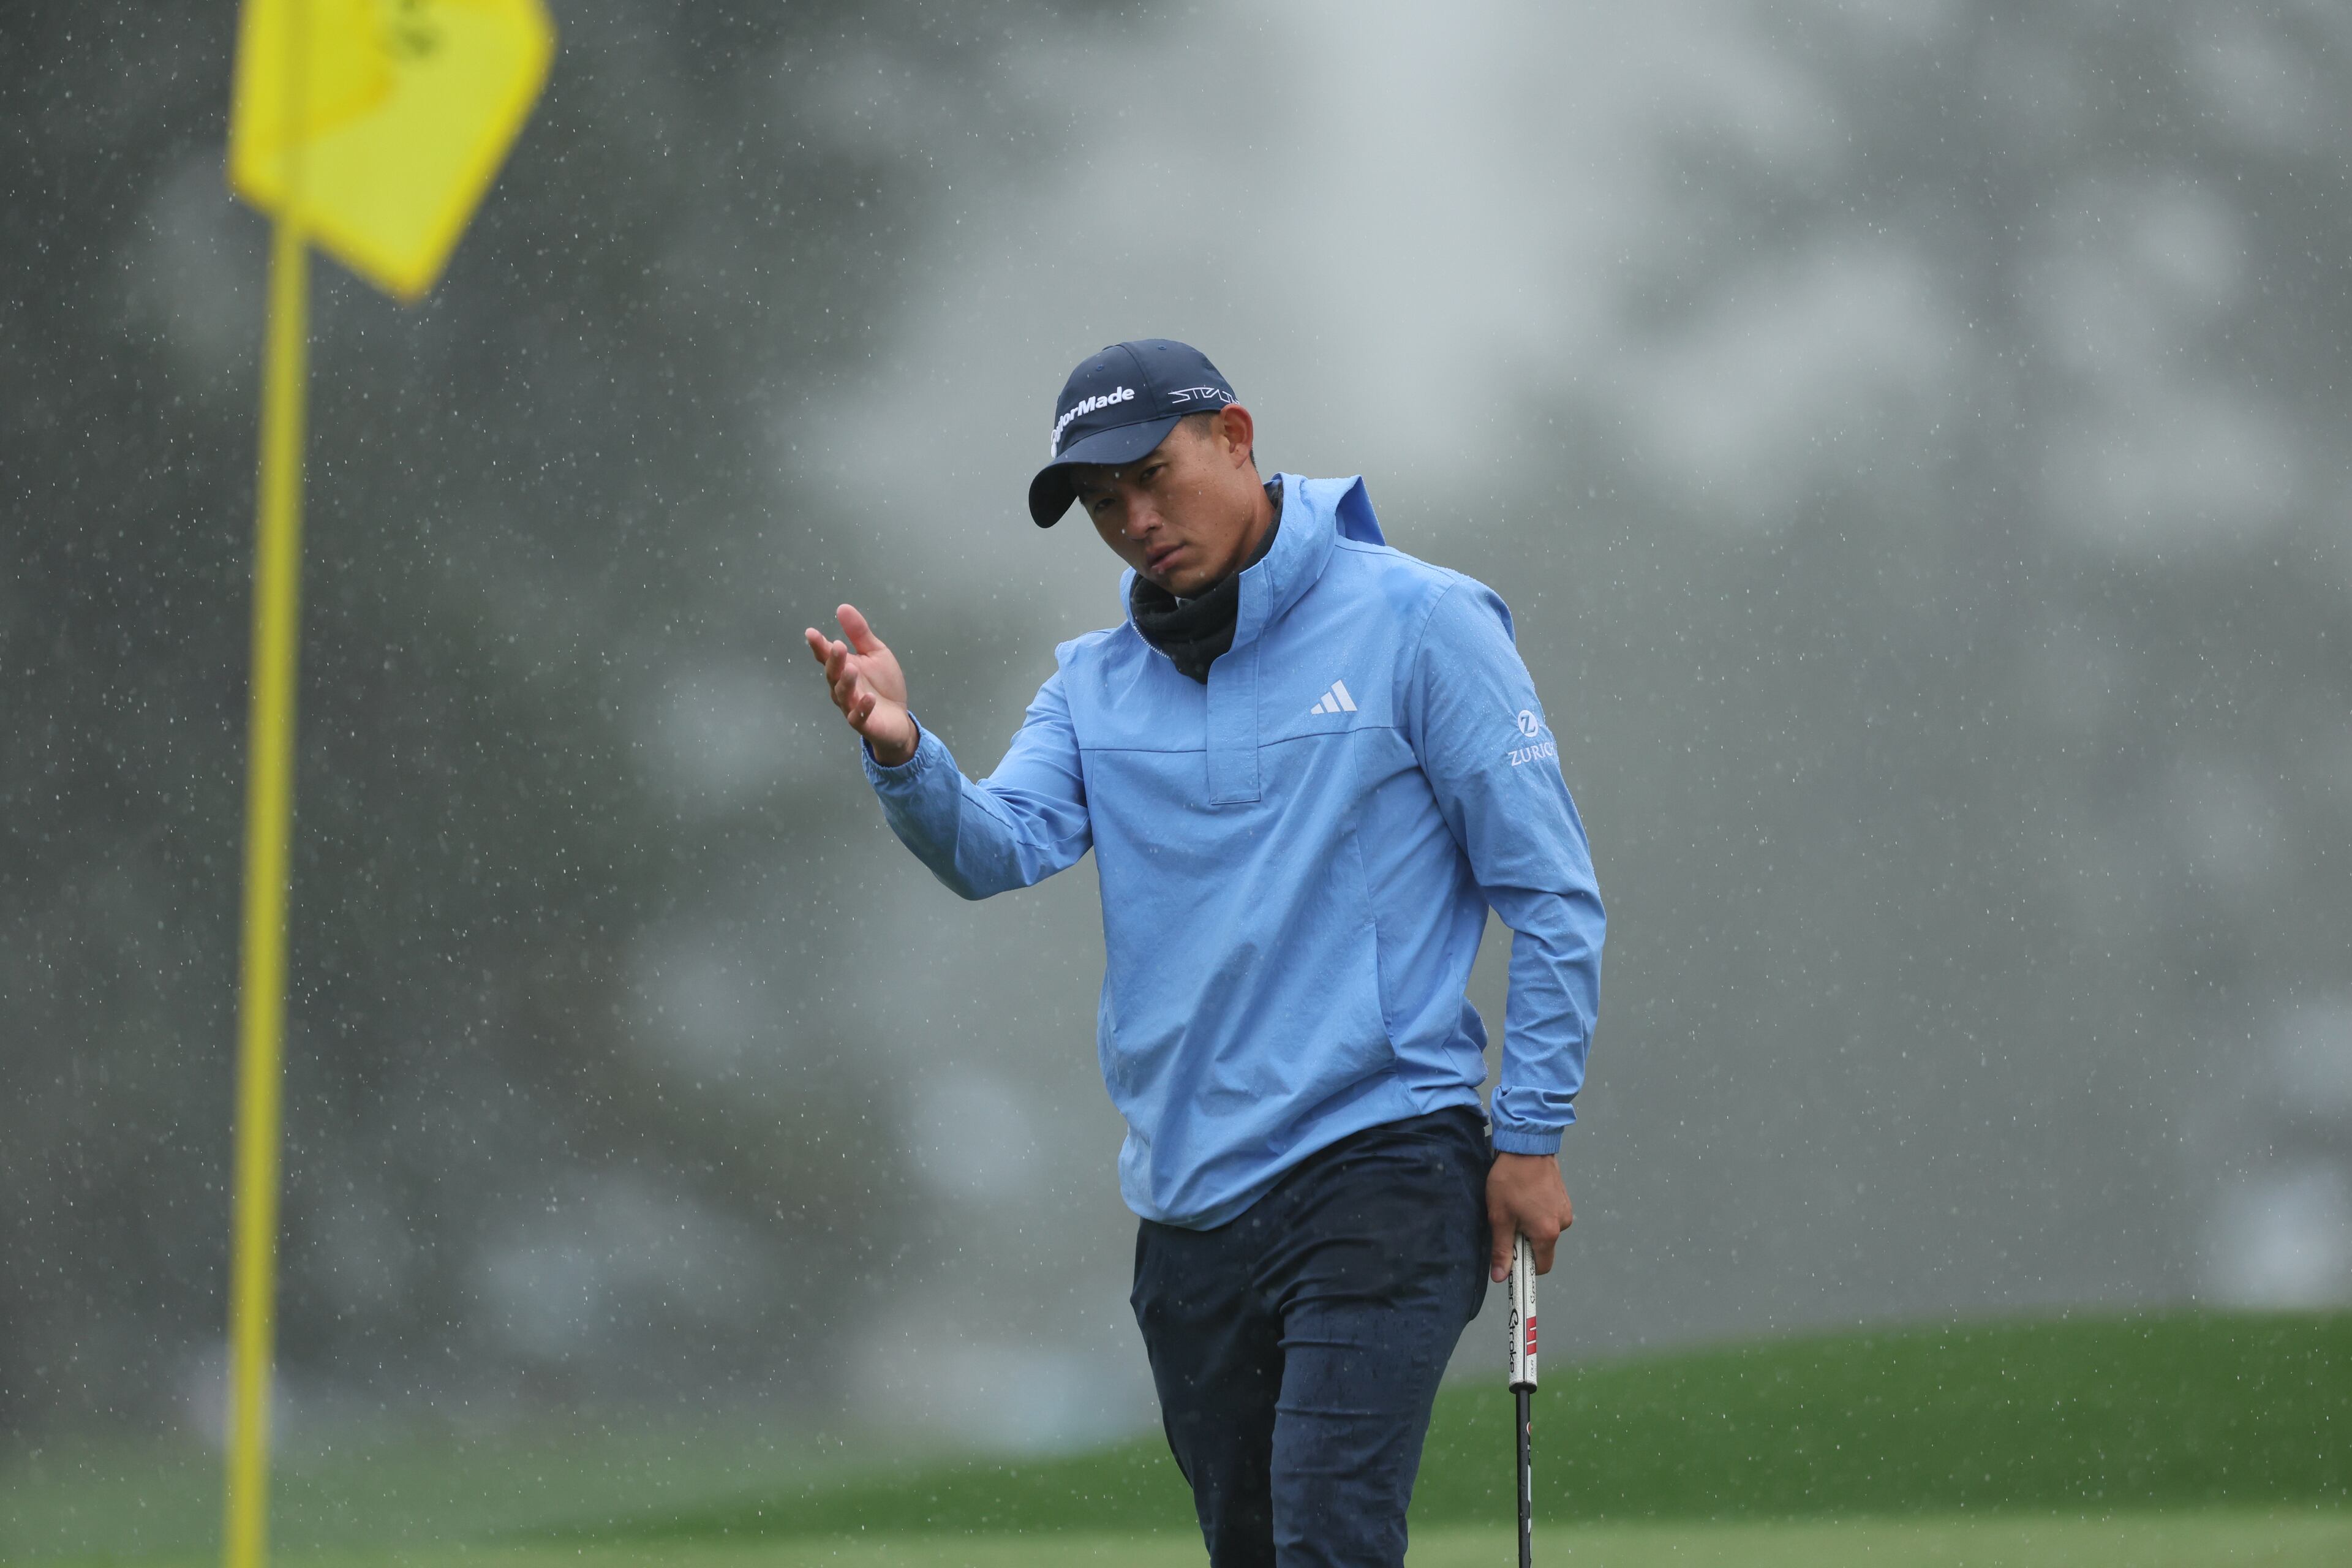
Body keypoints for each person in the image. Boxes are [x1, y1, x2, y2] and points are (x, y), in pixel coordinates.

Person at [804, 339, 1603, 1568]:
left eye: (1153, 476)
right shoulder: (1091, 686)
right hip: (1187, 1206)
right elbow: (995, 847)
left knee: (1329, 1536)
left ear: (1235, 436)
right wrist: (903, 750)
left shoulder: (1423, 622)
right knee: (1254, 1549)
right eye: (1101, 502)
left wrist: (1532, 1131)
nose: (1135, 520)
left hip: (1382, 1161)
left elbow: (1548, 891)